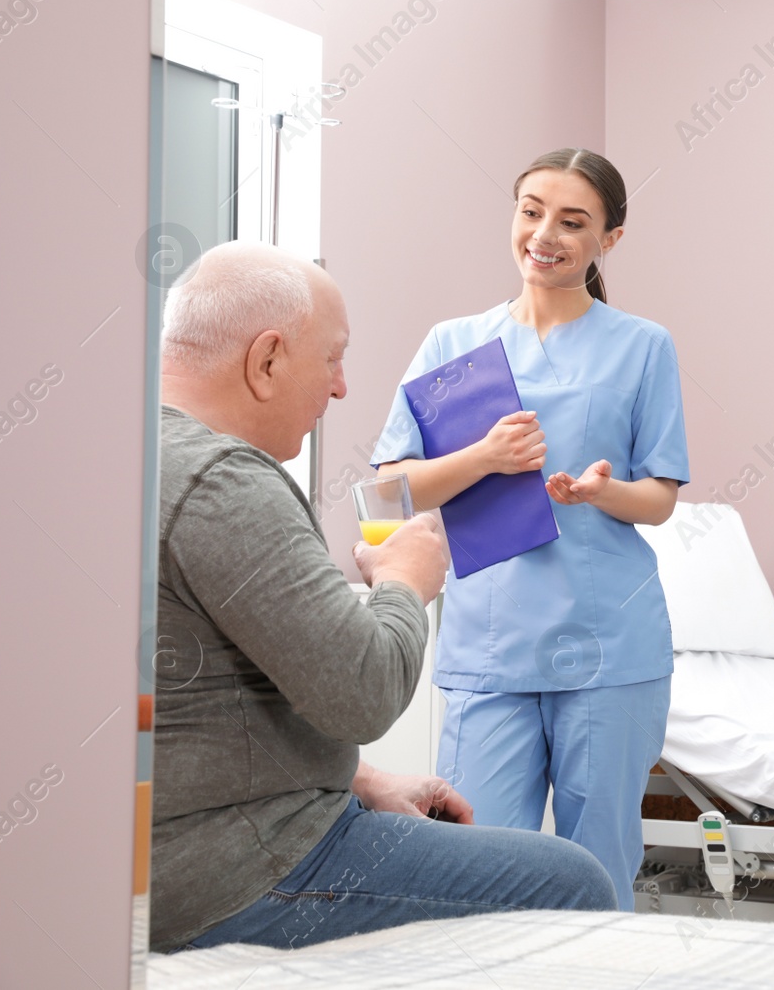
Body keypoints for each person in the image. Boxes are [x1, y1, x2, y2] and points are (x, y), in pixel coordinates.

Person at [153, 241, 615, 953]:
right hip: (235, 871)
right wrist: (405, 581)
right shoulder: (224, 480)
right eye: (332, 359)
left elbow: (207, 705)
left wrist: (362, 779)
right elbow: (361, 691)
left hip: (167, 852)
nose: (339, 388)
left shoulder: (128, 449)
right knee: (575, 878)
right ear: (267, 360)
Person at [373, 148, 688, 911]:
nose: (544, 233)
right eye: (531, 211)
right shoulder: (455, 345)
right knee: (474, 869)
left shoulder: (643, 346)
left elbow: (661, 497)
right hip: (491, 649)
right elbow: (387, 494)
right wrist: (483, 456)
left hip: (609, 646)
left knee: (600, 867)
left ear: (608, 238)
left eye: (573, 221)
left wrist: (601, 492)